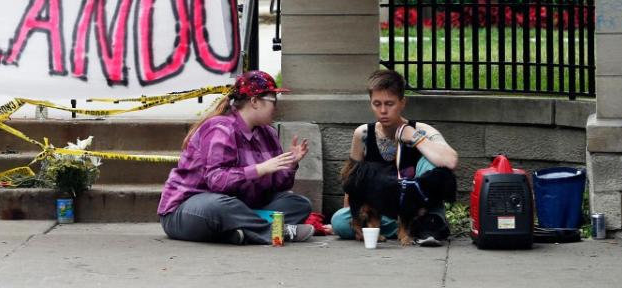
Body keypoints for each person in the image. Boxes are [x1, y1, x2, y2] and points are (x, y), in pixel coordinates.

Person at [158, 70, 315, 245]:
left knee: (298, 204)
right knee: (219, 206)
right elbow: (216, 181)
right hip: (189, 210)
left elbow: (279, 186)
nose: (276, 107)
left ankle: (239, 232)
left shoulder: (268, 133)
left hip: (240, 207)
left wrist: (289, 165)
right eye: (273, 100)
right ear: (254, 101)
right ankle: (276, 231)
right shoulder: (220, 128)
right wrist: (260, 169)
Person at [331, 69, 459, 246]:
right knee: (339, 221)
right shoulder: (363, 134)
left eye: (389, 104)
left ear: (402, 102)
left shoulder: (422, 130)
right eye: (377, 104)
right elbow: (353, 178)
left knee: (432, 160)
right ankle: (412, 228)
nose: (383, 111)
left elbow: (450, 161)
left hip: (415, 207)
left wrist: (413, 137)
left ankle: (426, 221)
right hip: (381, 208)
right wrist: (352, 212)